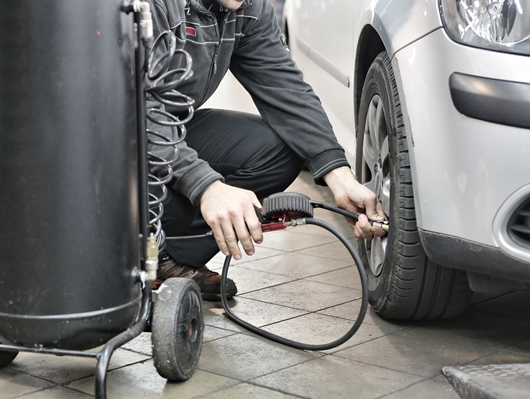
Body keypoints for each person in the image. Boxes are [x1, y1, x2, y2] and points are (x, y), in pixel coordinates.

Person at [147, 0, 386, 300]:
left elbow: (284, 87)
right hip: (103, 142)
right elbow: (131, 108)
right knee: (185, 180)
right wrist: (206, 187)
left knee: (279, 149)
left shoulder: (246, 7)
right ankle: (114, 249)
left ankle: (164, 257)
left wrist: (341, 178)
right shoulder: (151, 6)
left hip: (166, 129)